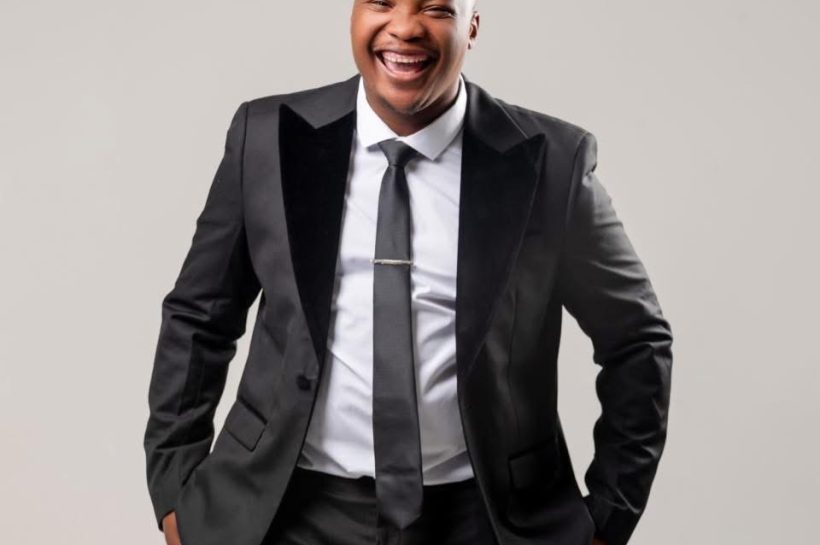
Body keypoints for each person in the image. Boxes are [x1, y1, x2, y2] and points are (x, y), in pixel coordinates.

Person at [143, 1, 673, 545]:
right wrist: (174, 489)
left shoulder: (552, 162)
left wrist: (609, 516)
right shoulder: (267, 138)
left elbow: (636, 338)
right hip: (285, 510)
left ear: (471, 26)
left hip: (485, 519)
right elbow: (199, 315)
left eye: (436, 8)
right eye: (382, 2)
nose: (403, 27)